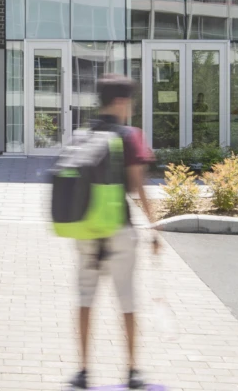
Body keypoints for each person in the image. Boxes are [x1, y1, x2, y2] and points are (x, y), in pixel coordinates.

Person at [69, 74, 160, 391]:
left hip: (86, 230)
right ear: (121, 102)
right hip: (120, 230)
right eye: (130, 101)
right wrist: (154, 226)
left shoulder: (82, 135)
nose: (131, 106)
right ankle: (133, 371)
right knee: (127, 300)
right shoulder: (130, 136)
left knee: (84, 300)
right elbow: (137, 187)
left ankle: (82, 371)